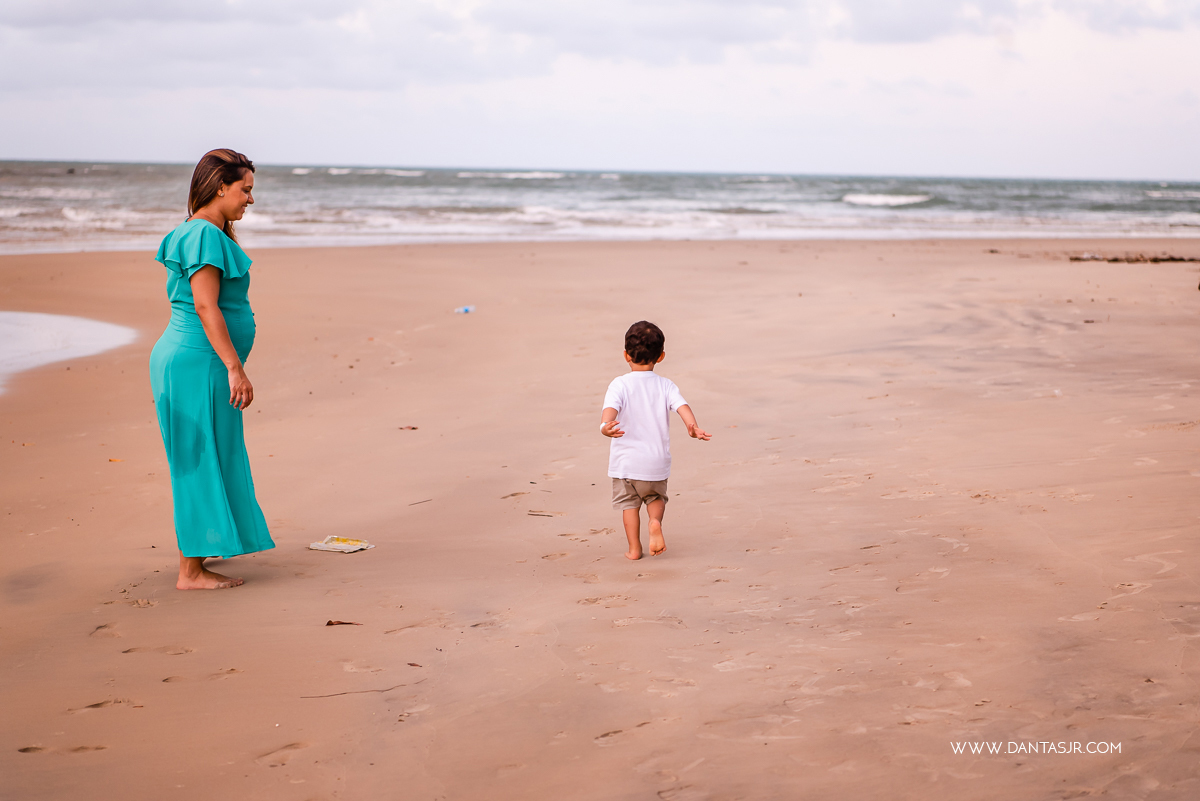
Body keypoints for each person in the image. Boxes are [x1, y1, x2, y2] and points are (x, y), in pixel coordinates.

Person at [149, 149, 275, 590]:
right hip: (195, 364)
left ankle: (196, 560)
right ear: (221, 186)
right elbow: (204, 305)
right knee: (198, 459)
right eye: (245, 190)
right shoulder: (202, 234)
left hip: (196, 362)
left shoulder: (208, 232)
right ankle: (190, 572)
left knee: (209, 455)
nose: (250, 200)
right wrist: (234, 368)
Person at [600, 321, 711, 560]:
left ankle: (634, 549)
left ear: (625, 355)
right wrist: (692, 427)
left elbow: (610, 410)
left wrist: (605, 427)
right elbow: (682, 406)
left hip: (625, 463)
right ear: (660, 357)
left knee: (629, 505)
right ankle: (654, 522)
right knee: (656, 497)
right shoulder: (665, 385)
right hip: (655, 462)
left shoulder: (619, 384)